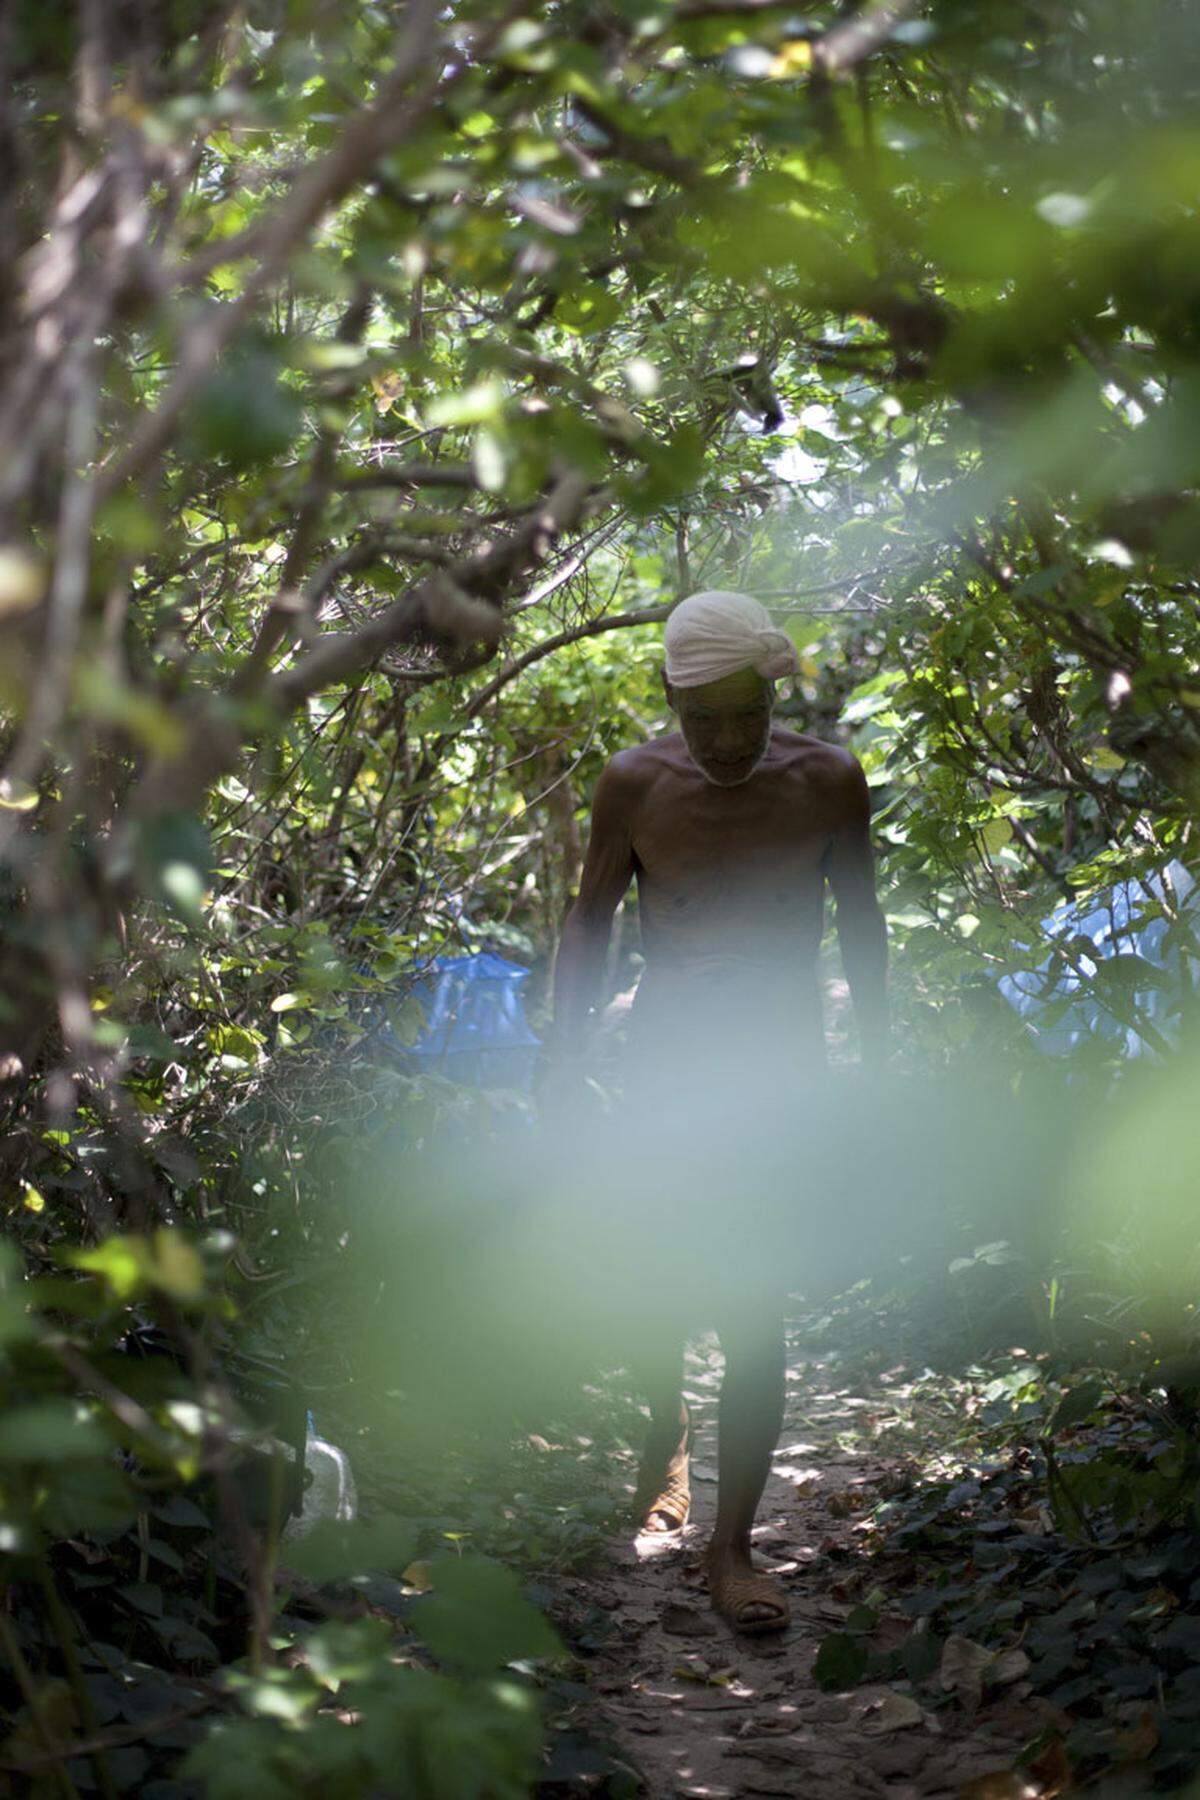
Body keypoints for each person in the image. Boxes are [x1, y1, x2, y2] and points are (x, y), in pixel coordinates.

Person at [546, 590, 888, 1633]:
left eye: (748, 714)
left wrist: (876, 1064)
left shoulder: (827, 781)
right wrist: (556, 1059)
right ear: (671, 701)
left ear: (771, 696)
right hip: (665, 1065)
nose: (732, 740)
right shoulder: (634, 785)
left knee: (752, 1306)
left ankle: (732, 1549)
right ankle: (666, 1430)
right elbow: (591, 920)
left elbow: (864, 924)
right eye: (706, 720)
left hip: (780, 1074)